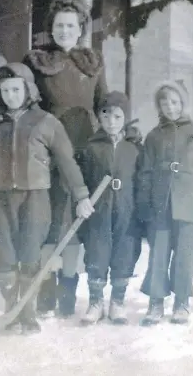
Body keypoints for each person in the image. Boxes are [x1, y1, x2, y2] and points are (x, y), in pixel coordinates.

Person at [0, 63, 94, 334]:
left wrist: (82, 195)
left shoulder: (47, 122)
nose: (10, 95)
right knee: (6, 257)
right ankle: (10, 310)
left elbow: (67, 162)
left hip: (35, 200)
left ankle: (26, 315)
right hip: (0, 200)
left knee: (29, 255)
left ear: (28, 89)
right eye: (4, 90)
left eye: (16, 89)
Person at [23, 0, 108, 318]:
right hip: (47, 156)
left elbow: (104, 104)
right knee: (48, 224)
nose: (64, 31)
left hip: (83, 156)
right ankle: (46, 290)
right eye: (59, 25)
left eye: (71, 25)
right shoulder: (38, 61)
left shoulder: (92, 62)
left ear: (81, 28)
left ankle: (68, 289)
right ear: (51, 28)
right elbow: (26, 106)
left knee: (74, 224)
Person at [137, 80, 193, 325]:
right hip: (160, 206)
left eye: (174, 102)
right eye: (164, 103)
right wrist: (144, 203)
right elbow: (145, 173)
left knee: (187, 254)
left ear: (183, 103)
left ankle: (182, 299)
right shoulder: (153, 136)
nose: (170, 107)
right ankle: (155, 301)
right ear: (159, 107)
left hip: (190, 204)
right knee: (158, 254)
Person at [79, 91, 142, 325]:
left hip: (127, 209)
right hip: (100, 211)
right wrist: (82, 200)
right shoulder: (91, 147)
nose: (111, 122)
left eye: (117, 117)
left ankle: (117, 301)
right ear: (99, 119)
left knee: (124, 252)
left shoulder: (134, 148)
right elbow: (81, 178)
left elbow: (142, 180)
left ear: (125, 118)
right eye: (105, 117)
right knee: (97, 251)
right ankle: (96, 302)